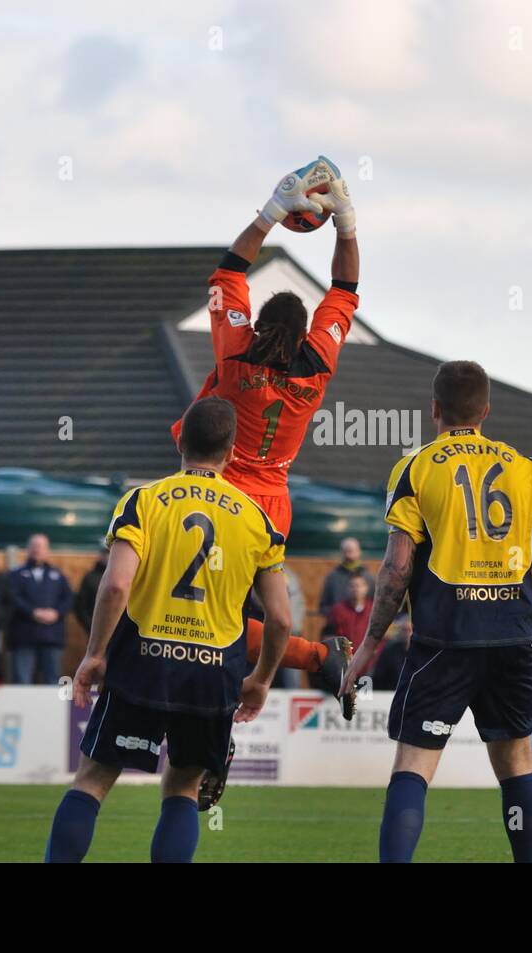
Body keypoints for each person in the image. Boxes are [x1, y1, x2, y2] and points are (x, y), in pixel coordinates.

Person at [341, 360, 532, 863]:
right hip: (511, 638)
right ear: (486, 411)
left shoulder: (417, 466)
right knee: (516, 762)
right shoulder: (522, 467)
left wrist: (369, 643)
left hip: (443, 641)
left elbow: (395, 568)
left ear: (435, 410)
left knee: (413, 765)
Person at [45, 397, 291, 863]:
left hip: (142, 662)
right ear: (232, 452)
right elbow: (280, 618)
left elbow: (116, 585)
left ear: (180, 440)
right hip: (214, 670)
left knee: (93, 780)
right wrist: (260, 680)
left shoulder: (144, 501)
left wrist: (95, 654)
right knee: (182, 788)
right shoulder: (257, 519)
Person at [169, 157, 359, 707]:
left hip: (219, 491)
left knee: (201, 614)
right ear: (305, 334)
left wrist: (271, 214)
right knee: (221, 615)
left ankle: (300, 668)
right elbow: (344, 289)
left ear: (259, 325)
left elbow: (228, 274)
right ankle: (319, 660)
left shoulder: (235, 356)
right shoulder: (317, 364)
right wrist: (344, 221)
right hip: (274, 503)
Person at [7, 533, 73, 686]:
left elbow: (68, 598)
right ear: (28, 549)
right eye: (34, 546)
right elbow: (12, 597)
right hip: (24, 637)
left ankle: (52, 711)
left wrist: (57, 613)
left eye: (41, 546)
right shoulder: (15, 574)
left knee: (52, 680)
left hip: (51, 637)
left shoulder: (58, 575)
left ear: (47, 550)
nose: (37, 549)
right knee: (22, 680)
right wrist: (32, 612)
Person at [318, 537, 375, 614]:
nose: (348, 555)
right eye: (346, 551)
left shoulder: (369, 577)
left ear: (359, 552)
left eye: (351, 551)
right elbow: (323, 606)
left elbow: (375, 604)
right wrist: (336, 614)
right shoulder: (332, 577)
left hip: (364, 623)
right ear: (341, 552)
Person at [73, 548, 108, 635]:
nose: (107, 556)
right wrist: (91, 628)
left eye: (110, 553)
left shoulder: (124, 577)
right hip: (95, 631)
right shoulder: (90, 578)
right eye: (105, 553)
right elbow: (80, 606)